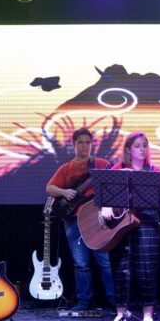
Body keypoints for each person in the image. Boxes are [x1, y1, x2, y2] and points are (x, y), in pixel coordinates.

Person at [101, 131, 160, 321]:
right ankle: (120, 315)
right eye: (137, 146)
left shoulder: (154, 171)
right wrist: (106, 207)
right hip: (121, 225)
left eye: (145, 145)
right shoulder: (117, 169)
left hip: (147, 223)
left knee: (147, 269)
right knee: (120, 268)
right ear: (128, 149)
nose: (142, 149)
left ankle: (148, 316)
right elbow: (105, 195)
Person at [46, 128, 115, 311]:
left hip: (97, 220)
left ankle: (114, 301)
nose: (84, 146)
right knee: (81, 264)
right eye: (80, 142)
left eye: (87, 142)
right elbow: (49, 188)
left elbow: (115, 183)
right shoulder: (66, 168)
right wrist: (64, 192)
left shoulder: (102, 164)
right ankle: (84, 302)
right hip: (74, 221)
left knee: (104, 262)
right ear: (74, 144)